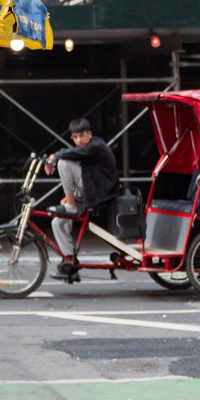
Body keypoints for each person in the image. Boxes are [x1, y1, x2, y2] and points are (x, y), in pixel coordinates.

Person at [44, 117, 120, 281]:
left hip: (101, 192)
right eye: (74, 137)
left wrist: (54, 156)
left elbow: (71, 155)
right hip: (89, 191)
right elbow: (83, 170)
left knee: (63, 163)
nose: (78, 140)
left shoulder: (96, 146)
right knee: (58, 222)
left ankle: (71, 204)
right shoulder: (86, 149)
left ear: (89, 134)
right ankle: (70, 261)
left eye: (81, 136)